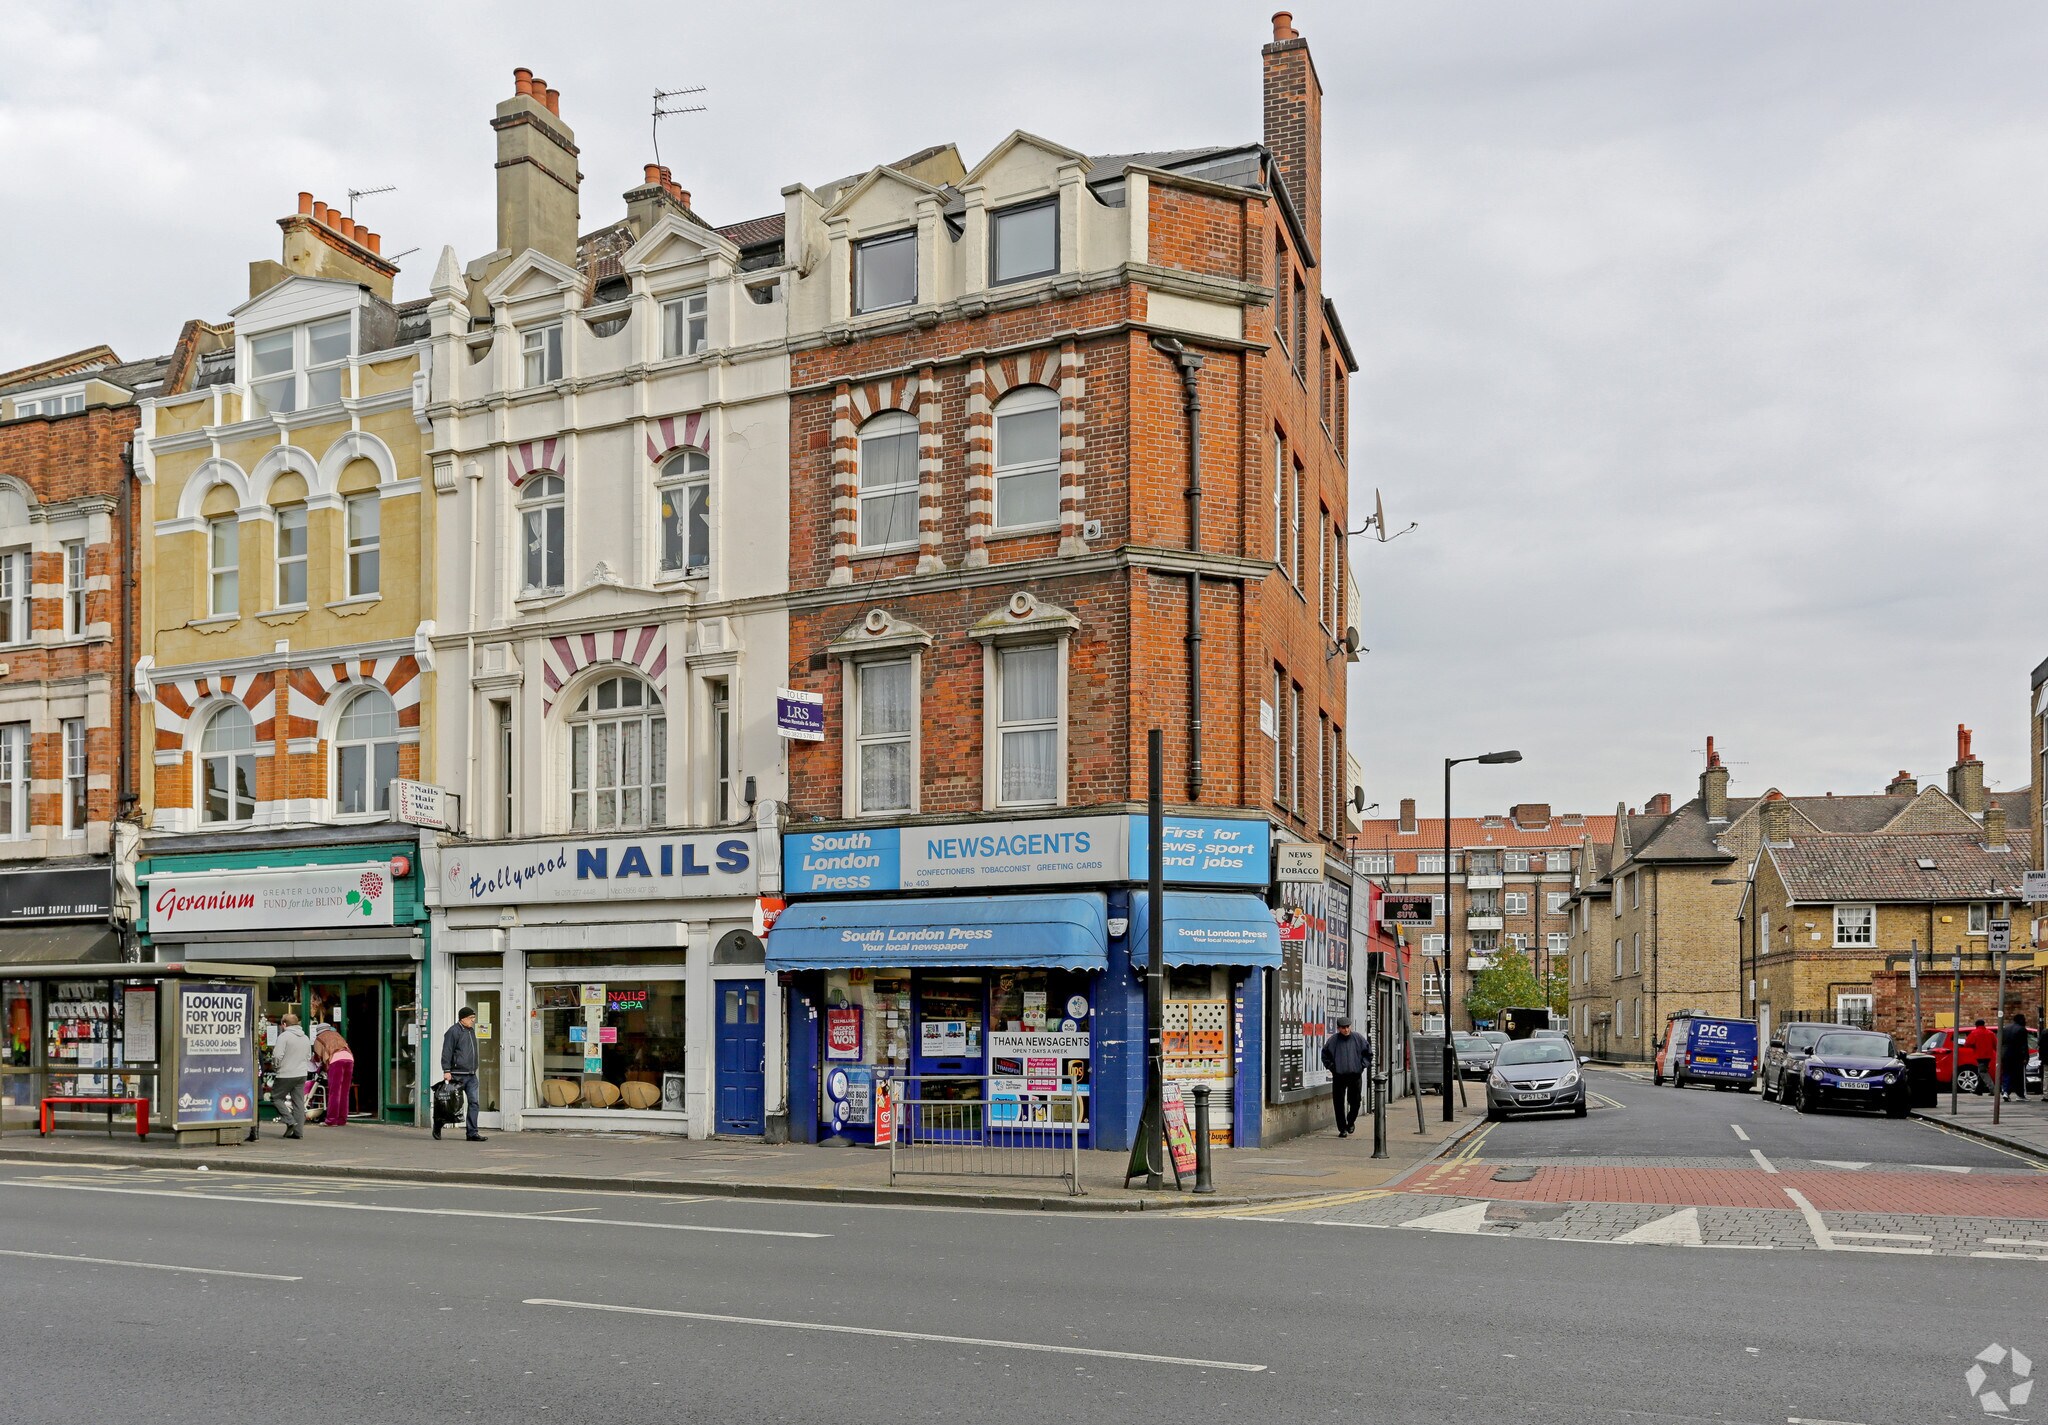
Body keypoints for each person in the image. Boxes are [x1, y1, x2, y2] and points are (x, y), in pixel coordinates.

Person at [438, 1006, 485, 1142]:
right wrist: (446, 1070)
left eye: (474, 1017)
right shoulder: (453, 1031)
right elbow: (447, 1051)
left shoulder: (471, 1031)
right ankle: (438, 1125)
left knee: (474, 1103)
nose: (473, 1020)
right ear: (463, 1018)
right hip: (457, 1074)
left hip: (471, 1075)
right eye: (471, 1018)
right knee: (451, 1106)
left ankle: (472, 1133)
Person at [1321, 1015, 1371, 1138]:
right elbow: (1325, 1055)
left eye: (1348, 1027)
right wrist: (1333, 1068)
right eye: (1343, 1028)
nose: (1346, 1030)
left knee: (1355, 1101)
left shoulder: (1358, 1038)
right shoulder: (1333, 1041)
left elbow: (1368, 1053)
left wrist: (1361, 1066)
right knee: (1338, 1103)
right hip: (1339, 1076)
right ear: (1338, 1028)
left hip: (1355, 1075)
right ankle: (1342, 1128)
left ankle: (1351, 1121)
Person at [270, 1012, 313, 1139]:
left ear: (284, 1024)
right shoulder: (305, 1037)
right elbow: (308, 1056)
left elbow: (277, 1055)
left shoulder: (284, 1036)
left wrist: (276, 1067)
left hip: (285, 1073)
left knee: (276, 1098)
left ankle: (290, 1121)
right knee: (298, 1102)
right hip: (301, 1073)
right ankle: (298, 1132)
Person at [311, 1020, 354, 1126]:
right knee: (344, 1091)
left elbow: (317, 1058)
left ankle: (331, 1120)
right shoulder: (337, 1035)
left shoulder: (319, 1038)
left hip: (336, 1061)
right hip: (349, 1059)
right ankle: (342, 1119)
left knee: (334, 1092)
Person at [2000, 1011, 2030, 1103]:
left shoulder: (2006, 1028)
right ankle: (2020, 1095)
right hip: (2016, 1055)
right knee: (2018, 1075)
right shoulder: (2022, 1029)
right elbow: (2024, 1045)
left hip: (2005, 1054)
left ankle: (2006, 1091)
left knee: (2007, 1073)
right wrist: (2026, 1057)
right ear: (2021, 1020)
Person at [1966, 1018, 1999, 1094]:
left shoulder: (1974, 1033)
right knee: (1982, 1071)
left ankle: (1993, 1089)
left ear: (1976, 1025)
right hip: (1989, 1055)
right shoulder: (1990, 1033)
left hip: (1979, 1055)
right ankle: (1978, 1090)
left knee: (1982, 1072)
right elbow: (1996, 1044)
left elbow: (1967, 1043)